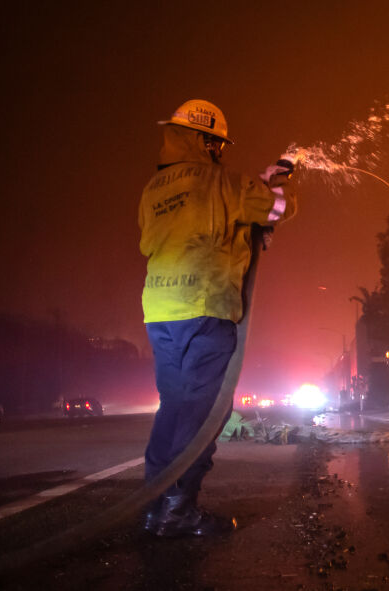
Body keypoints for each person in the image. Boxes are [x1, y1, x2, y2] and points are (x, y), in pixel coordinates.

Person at [138, 99, 296, 537]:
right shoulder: (221, 181)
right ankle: (177, 510)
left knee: (173, 408)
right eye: (218, 144)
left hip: (160, 312)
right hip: (205, 309)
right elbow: (278, 209)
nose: (221, 152)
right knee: (205, 413)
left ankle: (153, 506)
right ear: (207, 142)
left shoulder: (154, 189)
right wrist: (275, 181)